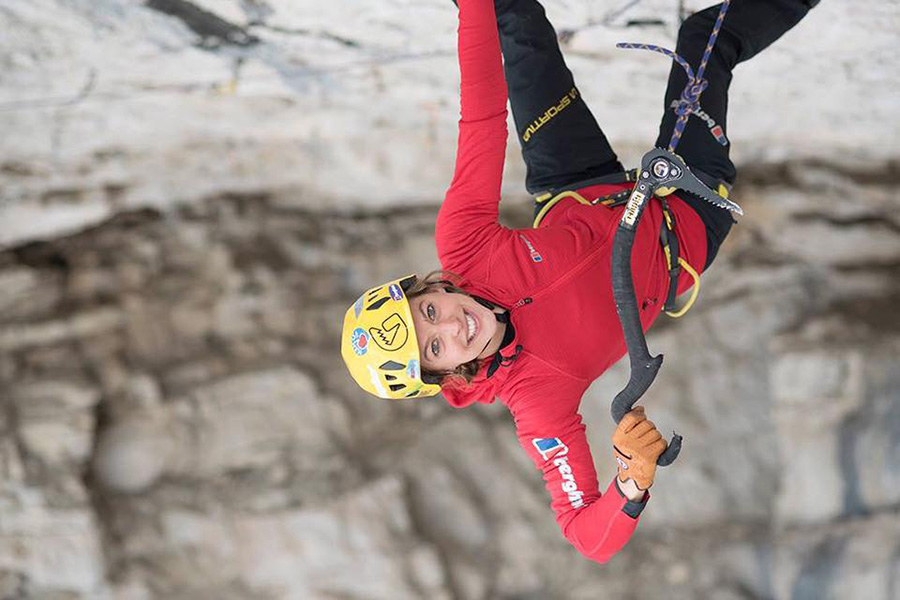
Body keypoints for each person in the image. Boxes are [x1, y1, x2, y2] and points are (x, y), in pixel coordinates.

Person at [342, 0, 816, 563]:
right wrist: (631, 485)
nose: (451, 325)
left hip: (577, 187)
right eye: (435, 347)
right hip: (680, 223)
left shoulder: (463, 244)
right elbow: (586, 537)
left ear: (429, 290)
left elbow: (482, 116)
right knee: (705, 42)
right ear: (446, 374)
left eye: (426, 314)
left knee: (511, 20)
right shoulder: (537, 402)